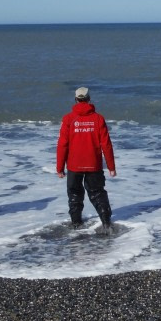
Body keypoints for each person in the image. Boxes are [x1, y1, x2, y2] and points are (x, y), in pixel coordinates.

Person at [56, 87, 116, 231]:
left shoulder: (68, 119)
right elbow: (106, 145)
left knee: (74, 194)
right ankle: (106, 223)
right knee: (98, 193)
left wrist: (59, 168)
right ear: (89, 99)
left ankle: (76, 224)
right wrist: (111, 167)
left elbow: (62, 145)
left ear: (76, 100)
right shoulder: (98, 118)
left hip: (74, 165)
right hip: (93, 164)